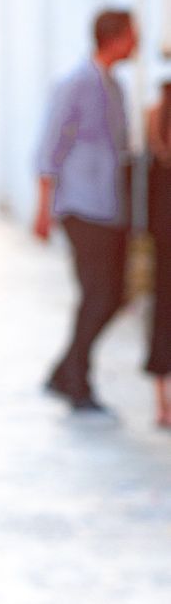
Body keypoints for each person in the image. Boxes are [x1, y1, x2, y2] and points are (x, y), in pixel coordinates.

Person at [35, 9, 138, 412]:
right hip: (81, 206)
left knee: (113, 296)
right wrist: (44, 210)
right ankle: (77, 381)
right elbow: (51, 146)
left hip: (111, 207)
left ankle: (65, 371)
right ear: (115, 37)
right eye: (132, 35)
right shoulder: (76, 83)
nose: (136, 42)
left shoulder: (115, 86)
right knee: (97, 294)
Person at [145, 80, 171, 427]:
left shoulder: (155, 113)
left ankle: (162, 403)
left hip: (162, 227)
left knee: (163, 310)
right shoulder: (157, 113)